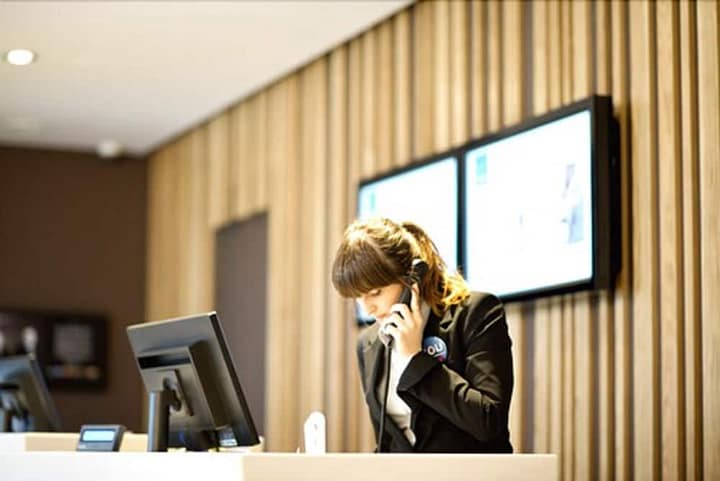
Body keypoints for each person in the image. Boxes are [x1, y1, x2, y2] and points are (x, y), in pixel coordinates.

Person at [331, 217, 514, 453]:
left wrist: (415, 359)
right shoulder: (368, 343)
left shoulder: (476, 313)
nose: (367, 309)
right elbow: (387, 442)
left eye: (375, 293)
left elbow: (489, 421)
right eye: (358, 297)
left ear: (412, 278)